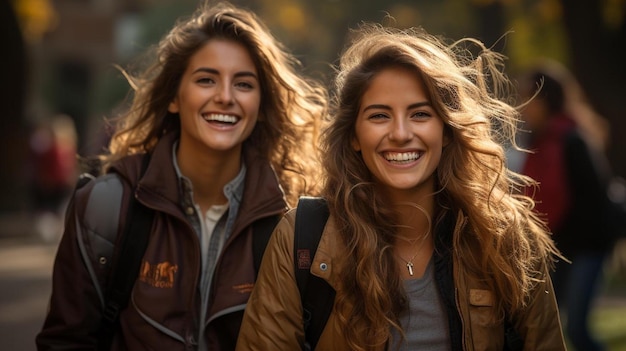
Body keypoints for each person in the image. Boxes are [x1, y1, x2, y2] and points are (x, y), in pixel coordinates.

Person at [236, 24, 566, 351]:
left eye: (420, 114)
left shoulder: (503, 237)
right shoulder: (302, 237)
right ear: (354, 136)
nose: (400, 133)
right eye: (379, 116)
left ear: (447, 130)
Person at [36, 2, 327, 350]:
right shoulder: (106, 207)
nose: (225, 97)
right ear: (175, 97)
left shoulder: (293, 223)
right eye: (206, 80)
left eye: (244, 84)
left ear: (261, 107)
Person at [519, 60, 615, 351]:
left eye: (527, 98)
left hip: (586, 248)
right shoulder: (537, 141)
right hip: (559, 249)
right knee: (546, 328)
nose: (522, 106)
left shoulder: (573, 141)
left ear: (544, 98)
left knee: (576, 329)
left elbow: (595, 202)